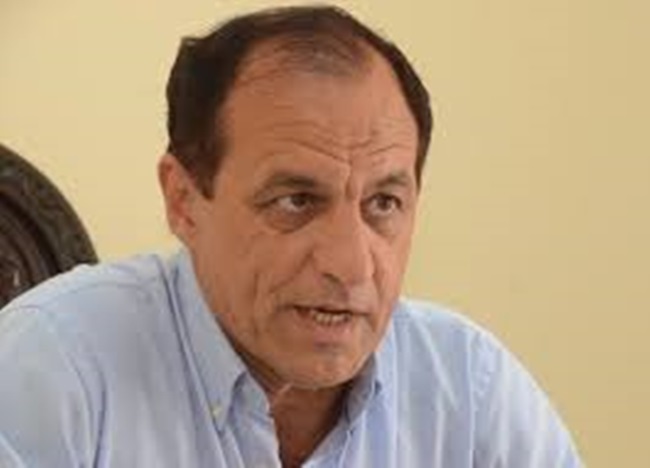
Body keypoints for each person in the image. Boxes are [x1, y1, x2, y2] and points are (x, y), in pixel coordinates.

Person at [0, 5, 583, 467]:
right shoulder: (54, 367)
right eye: (296, 201)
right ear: (183, 200)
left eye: (383, 204)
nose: (351, 266)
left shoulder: (470, 389)